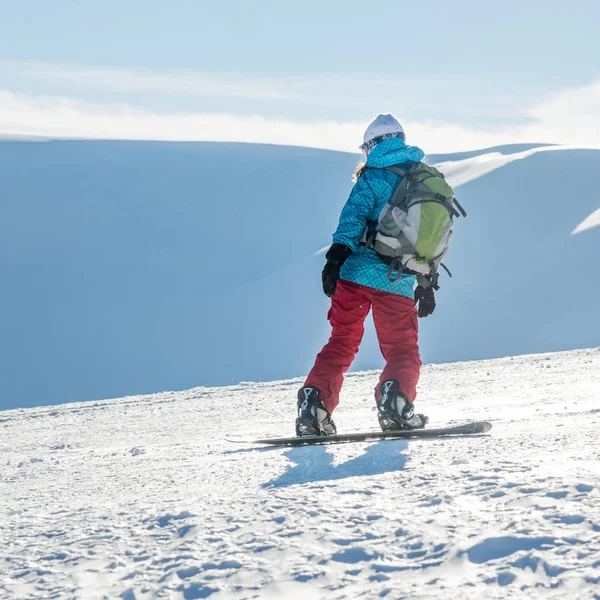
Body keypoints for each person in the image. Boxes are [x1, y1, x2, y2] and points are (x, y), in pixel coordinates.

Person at [296, 114, 435, 437]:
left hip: (354, 275)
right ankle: (395, 405)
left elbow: (352, 219)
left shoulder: (371, 178)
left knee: (341, 342)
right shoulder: (424, 178)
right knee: (401, 347)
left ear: (372, 145)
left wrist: (335, 258)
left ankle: (314, 407)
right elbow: (431, 235)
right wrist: (427, 281)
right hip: (395, 279)